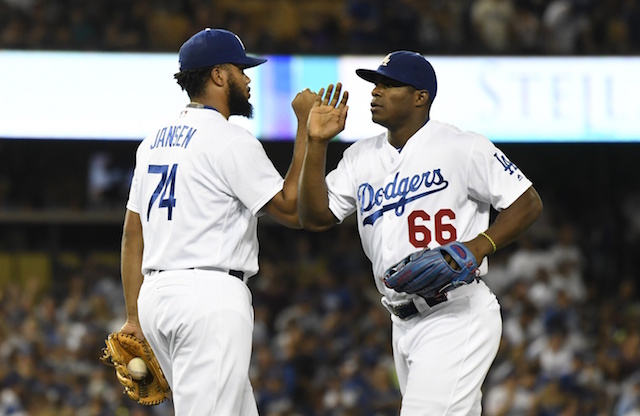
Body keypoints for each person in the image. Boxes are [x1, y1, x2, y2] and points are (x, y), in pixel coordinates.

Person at [117, 28, 348, 415]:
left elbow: (131, 235)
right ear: (219, 76)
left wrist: (133, 316)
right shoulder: (228, 139)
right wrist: (304, 129)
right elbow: (292, 210)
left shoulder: (153, 141)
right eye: (241, 70)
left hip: (156, 298)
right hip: (208, 297)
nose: (247, 79)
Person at [298, 50, 543, 415]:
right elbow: (315, 217)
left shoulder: (462, 146)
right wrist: (316, 144)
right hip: (402, 321)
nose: (376, 91)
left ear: (420, 96)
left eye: (389, 84)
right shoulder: (359, 156)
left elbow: (528, 202)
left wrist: (479, 246)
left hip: (455, 311)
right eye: (375, 84)